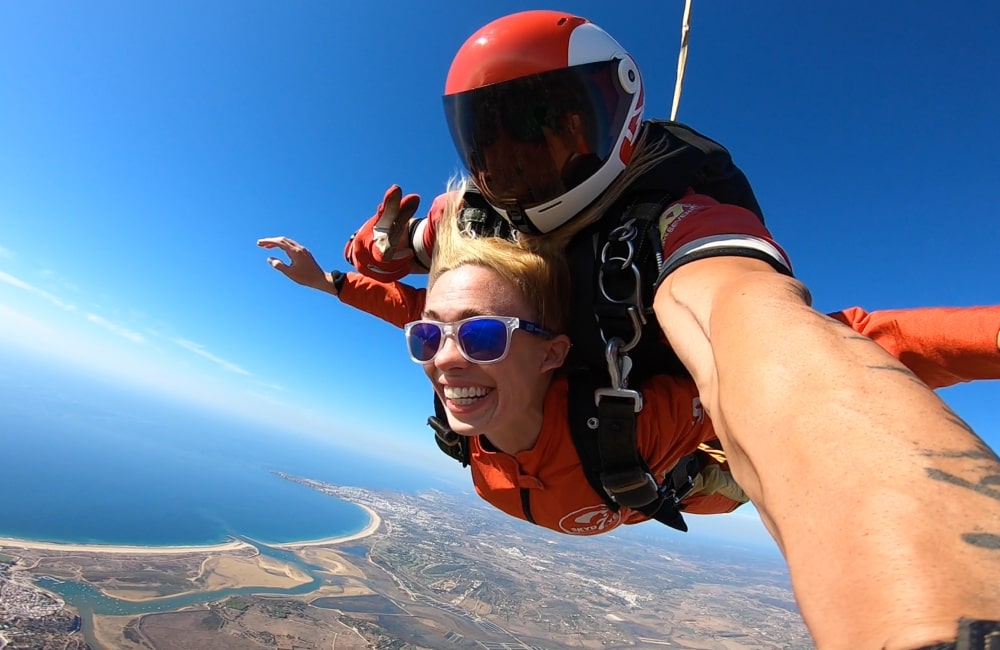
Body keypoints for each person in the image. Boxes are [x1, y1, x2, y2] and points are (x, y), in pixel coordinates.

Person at [278, 10, 1000, 648]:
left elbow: (772, 341)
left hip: (671, 468)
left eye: (542, 127)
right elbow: (415, 304)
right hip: (572, 475)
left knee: (770, 389)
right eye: (489, 137)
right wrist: (357, 264)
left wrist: (929, 602)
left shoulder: (674, 225)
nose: (513, 163)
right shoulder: (468, 219)